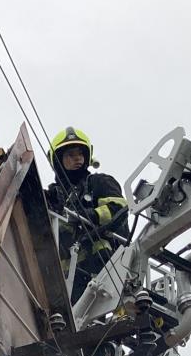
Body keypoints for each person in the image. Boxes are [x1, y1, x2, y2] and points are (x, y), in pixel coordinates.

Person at [44, 126, 129, 296]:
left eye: (80, 154)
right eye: (71, 155)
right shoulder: (52, 196)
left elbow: (119, 209)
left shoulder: (98, 182)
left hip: (99, 265)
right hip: (63, 278)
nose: (78, 159)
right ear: (58, 160)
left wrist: (90, 215)